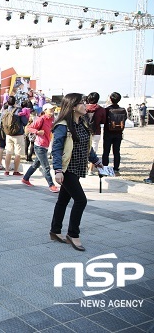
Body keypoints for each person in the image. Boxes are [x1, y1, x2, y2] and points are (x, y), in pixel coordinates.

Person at [50, 93, 102, 251]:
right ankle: (73, 234)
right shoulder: (63, 125)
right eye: (81, 103)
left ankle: (55, 231)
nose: (85, 105)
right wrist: (58, 170)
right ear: (72, 106)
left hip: (78, 167)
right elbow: (57, 148)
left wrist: (96, 161)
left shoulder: (83, 123)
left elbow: (87, 146)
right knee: (81, 200)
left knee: (63, 201)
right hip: (67, 169)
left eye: (84, 102)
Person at [21, 103, 59, 192]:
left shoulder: (52, 119)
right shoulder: (41, 119)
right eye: (50, 110)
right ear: (45, 110)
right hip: (39, 146)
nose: (52, 112)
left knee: (35, 164)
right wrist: (37, 132)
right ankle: (51, 185)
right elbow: (29, 128)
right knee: (46, 167)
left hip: (45, 145)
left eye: (53, 110)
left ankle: (25, 179)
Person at [2, 96, 29, 176]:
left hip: (8, 134)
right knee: (18, 153)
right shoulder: (18, 110)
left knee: (8, 152)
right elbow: (24, 122)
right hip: (18, 134)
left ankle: (7, 170)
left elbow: (1, 123)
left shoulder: (5, 111)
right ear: (15, 102)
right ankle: (15, 171)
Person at [102, 92, 127, 177]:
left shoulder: (107, 110)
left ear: (110, 99)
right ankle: (116, 169)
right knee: (116, 152)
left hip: (108, 133)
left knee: (106, 152)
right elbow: (125, 119)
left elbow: (103, 120)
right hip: (118, 133)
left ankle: (105, 169)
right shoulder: (123, 110)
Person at [85, 92, 106, 175]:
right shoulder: (101, 109)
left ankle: (85, 168)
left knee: (84, 149)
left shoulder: (84, 108)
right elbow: (104, 121)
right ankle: (91, 169)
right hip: (96, 132)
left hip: (85, 131)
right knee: (94, 150)